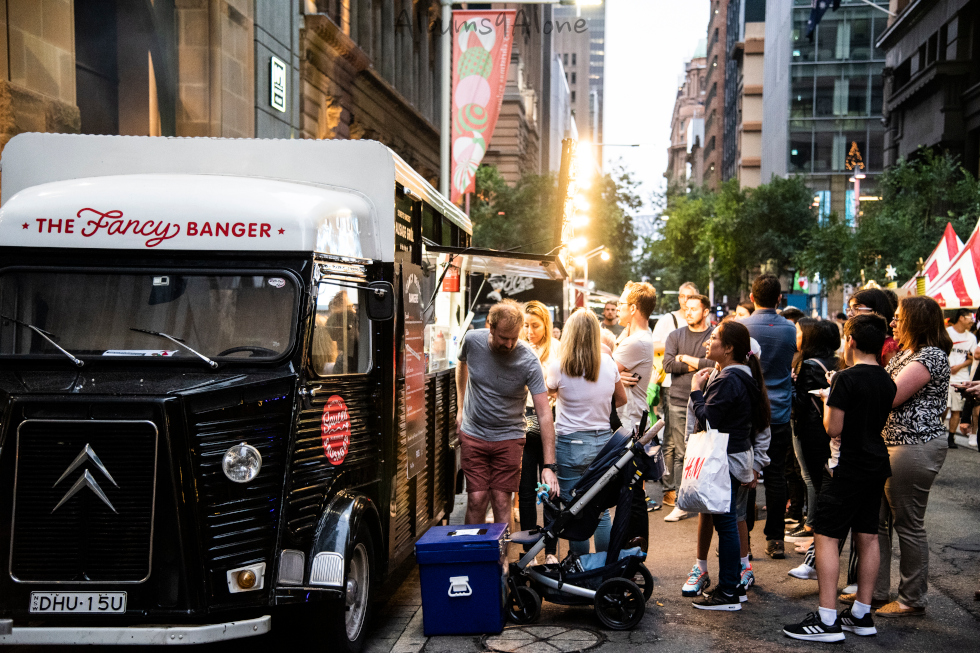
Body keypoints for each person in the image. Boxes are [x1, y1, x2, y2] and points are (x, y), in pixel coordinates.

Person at [783, 314, 897, 642]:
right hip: (875, 463)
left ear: (852, 342)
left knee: (827, 536)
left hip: (845, 466)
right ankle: (861, 613)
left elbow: (833, 428)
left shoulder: (845, 379)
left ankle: (827, 619)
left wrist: (827, 398)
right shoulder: (886, 379)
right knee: (869, 536)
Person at [868, 296, 951, 617]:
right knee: (876, 522)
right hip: (890, 444)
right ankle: (873, 589)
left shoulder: (930, 356)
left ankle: (911, 598)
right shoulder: (906, 353)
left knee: (908, 523)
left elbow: (890, 395)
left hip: (913, 446)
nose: (893, 322)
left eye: (899, 317)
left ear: (915, 321)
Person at [681, 321, 770, 601]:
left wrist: (696, 389)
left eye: (715, 338)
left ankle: (729, 589)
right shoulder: (740, 376)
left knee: (727, 523)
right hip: (735, 457)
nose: (709, 341)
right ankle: (731, 586)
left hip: (726, 459)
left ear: (729, 348)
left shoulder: (730, 379)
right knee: (728, 521)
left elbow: (709, 420)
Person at [456, 299, 559, 526]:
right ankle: (475, 558)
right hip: (474, 434)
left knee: (502, 502)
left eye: (515, 337)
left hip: (510, 437)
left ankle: (500, 560)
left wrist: (550, 466)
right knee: (476, 499)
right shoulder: (473, 341)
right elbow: (461, 364)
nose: (510, 344)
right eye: (504, 337)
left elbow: (544, 413)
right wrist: (460, 408)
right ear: (490, 327)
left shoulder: (528, 360)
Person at [546, 309, 628, 555]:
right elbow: (621, 399)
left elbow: (548, 394)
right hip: (603, 444)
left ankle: (578, 573)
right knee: (600, 512)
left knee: (574, 512)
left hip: (570, 444)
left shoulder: (558, 366)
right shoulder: (608, 364)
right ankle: (603, 570)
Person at [741, 274, 798, 559]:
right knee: (776, 476)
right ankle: (776, 538)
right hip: (779, 413)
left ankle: (744, 540)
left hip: (749, 412)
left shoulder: (741, 327)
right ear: (779, 298)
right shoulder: (789, 330)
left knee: (746, 474)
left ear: (752, 297)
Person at [787, 319, 841, 578]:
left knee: (814, 482)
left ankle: (816, 547)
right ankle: (816, 546)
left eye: (799, 332)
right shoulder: (837, 362)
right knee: (823, 484)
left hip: (810, 431)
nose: (796, 335)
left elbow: (799, 403)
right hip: (829, 431)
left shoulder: (808, 365)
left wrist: (790, 382)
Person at [662, 294, 716, 522]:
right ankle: (681, 501)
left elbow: (714, 364)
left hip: (706, 400)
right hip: (677, 399)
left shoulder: (714, 334)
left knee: (706, 451)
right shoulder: (675, 335)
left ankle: (702, 497)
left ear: (705, 311)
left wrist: (685, 358)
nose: (688, 312)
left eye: (694, 308)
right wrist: (697, 364)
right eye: (686, 308)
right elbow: (668, 365)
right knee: (681, 451)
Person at [517, 301, 560, 563]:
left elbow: (559, 385)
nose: (530, 331)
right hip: (523, 421)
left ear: (546, 324)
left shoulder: (556, 349)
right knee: (525, 490)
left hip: (548, 421)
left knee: (551, 488)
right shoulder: (518, 347)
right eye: (526, 325)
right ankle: (529, 551)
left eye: (535, 325)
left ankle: (552, 552)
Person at [613, 281, 657, 434]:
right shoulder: (642, 335)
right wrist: (616, 376)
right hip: (632, 421)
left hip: (629, 424)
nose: (617, 307)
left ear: (632, 308)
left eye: (620, 303)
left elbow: (599, 375)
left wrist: (613, 376)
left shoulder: (636, 342)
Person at [945, 308, 975, 449]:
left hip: (961, 377)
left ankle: (951, 438)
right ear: (961, 318)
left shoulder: (971, 338)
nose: (972, 321)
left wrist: (960, 366)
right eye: (970, 318)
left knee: (956, 409)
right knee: (943, 407)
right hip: (945, 376)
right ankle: (939, 433)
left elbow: (972, 358)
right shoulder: (947, 333)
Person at [848, 288, 899, 367]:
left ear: (875, 311)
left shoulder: (889, 345)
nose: (850, 314)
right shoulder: (861, 339)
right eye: (850, 309)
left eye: (857, 308)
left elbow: (891, 376)